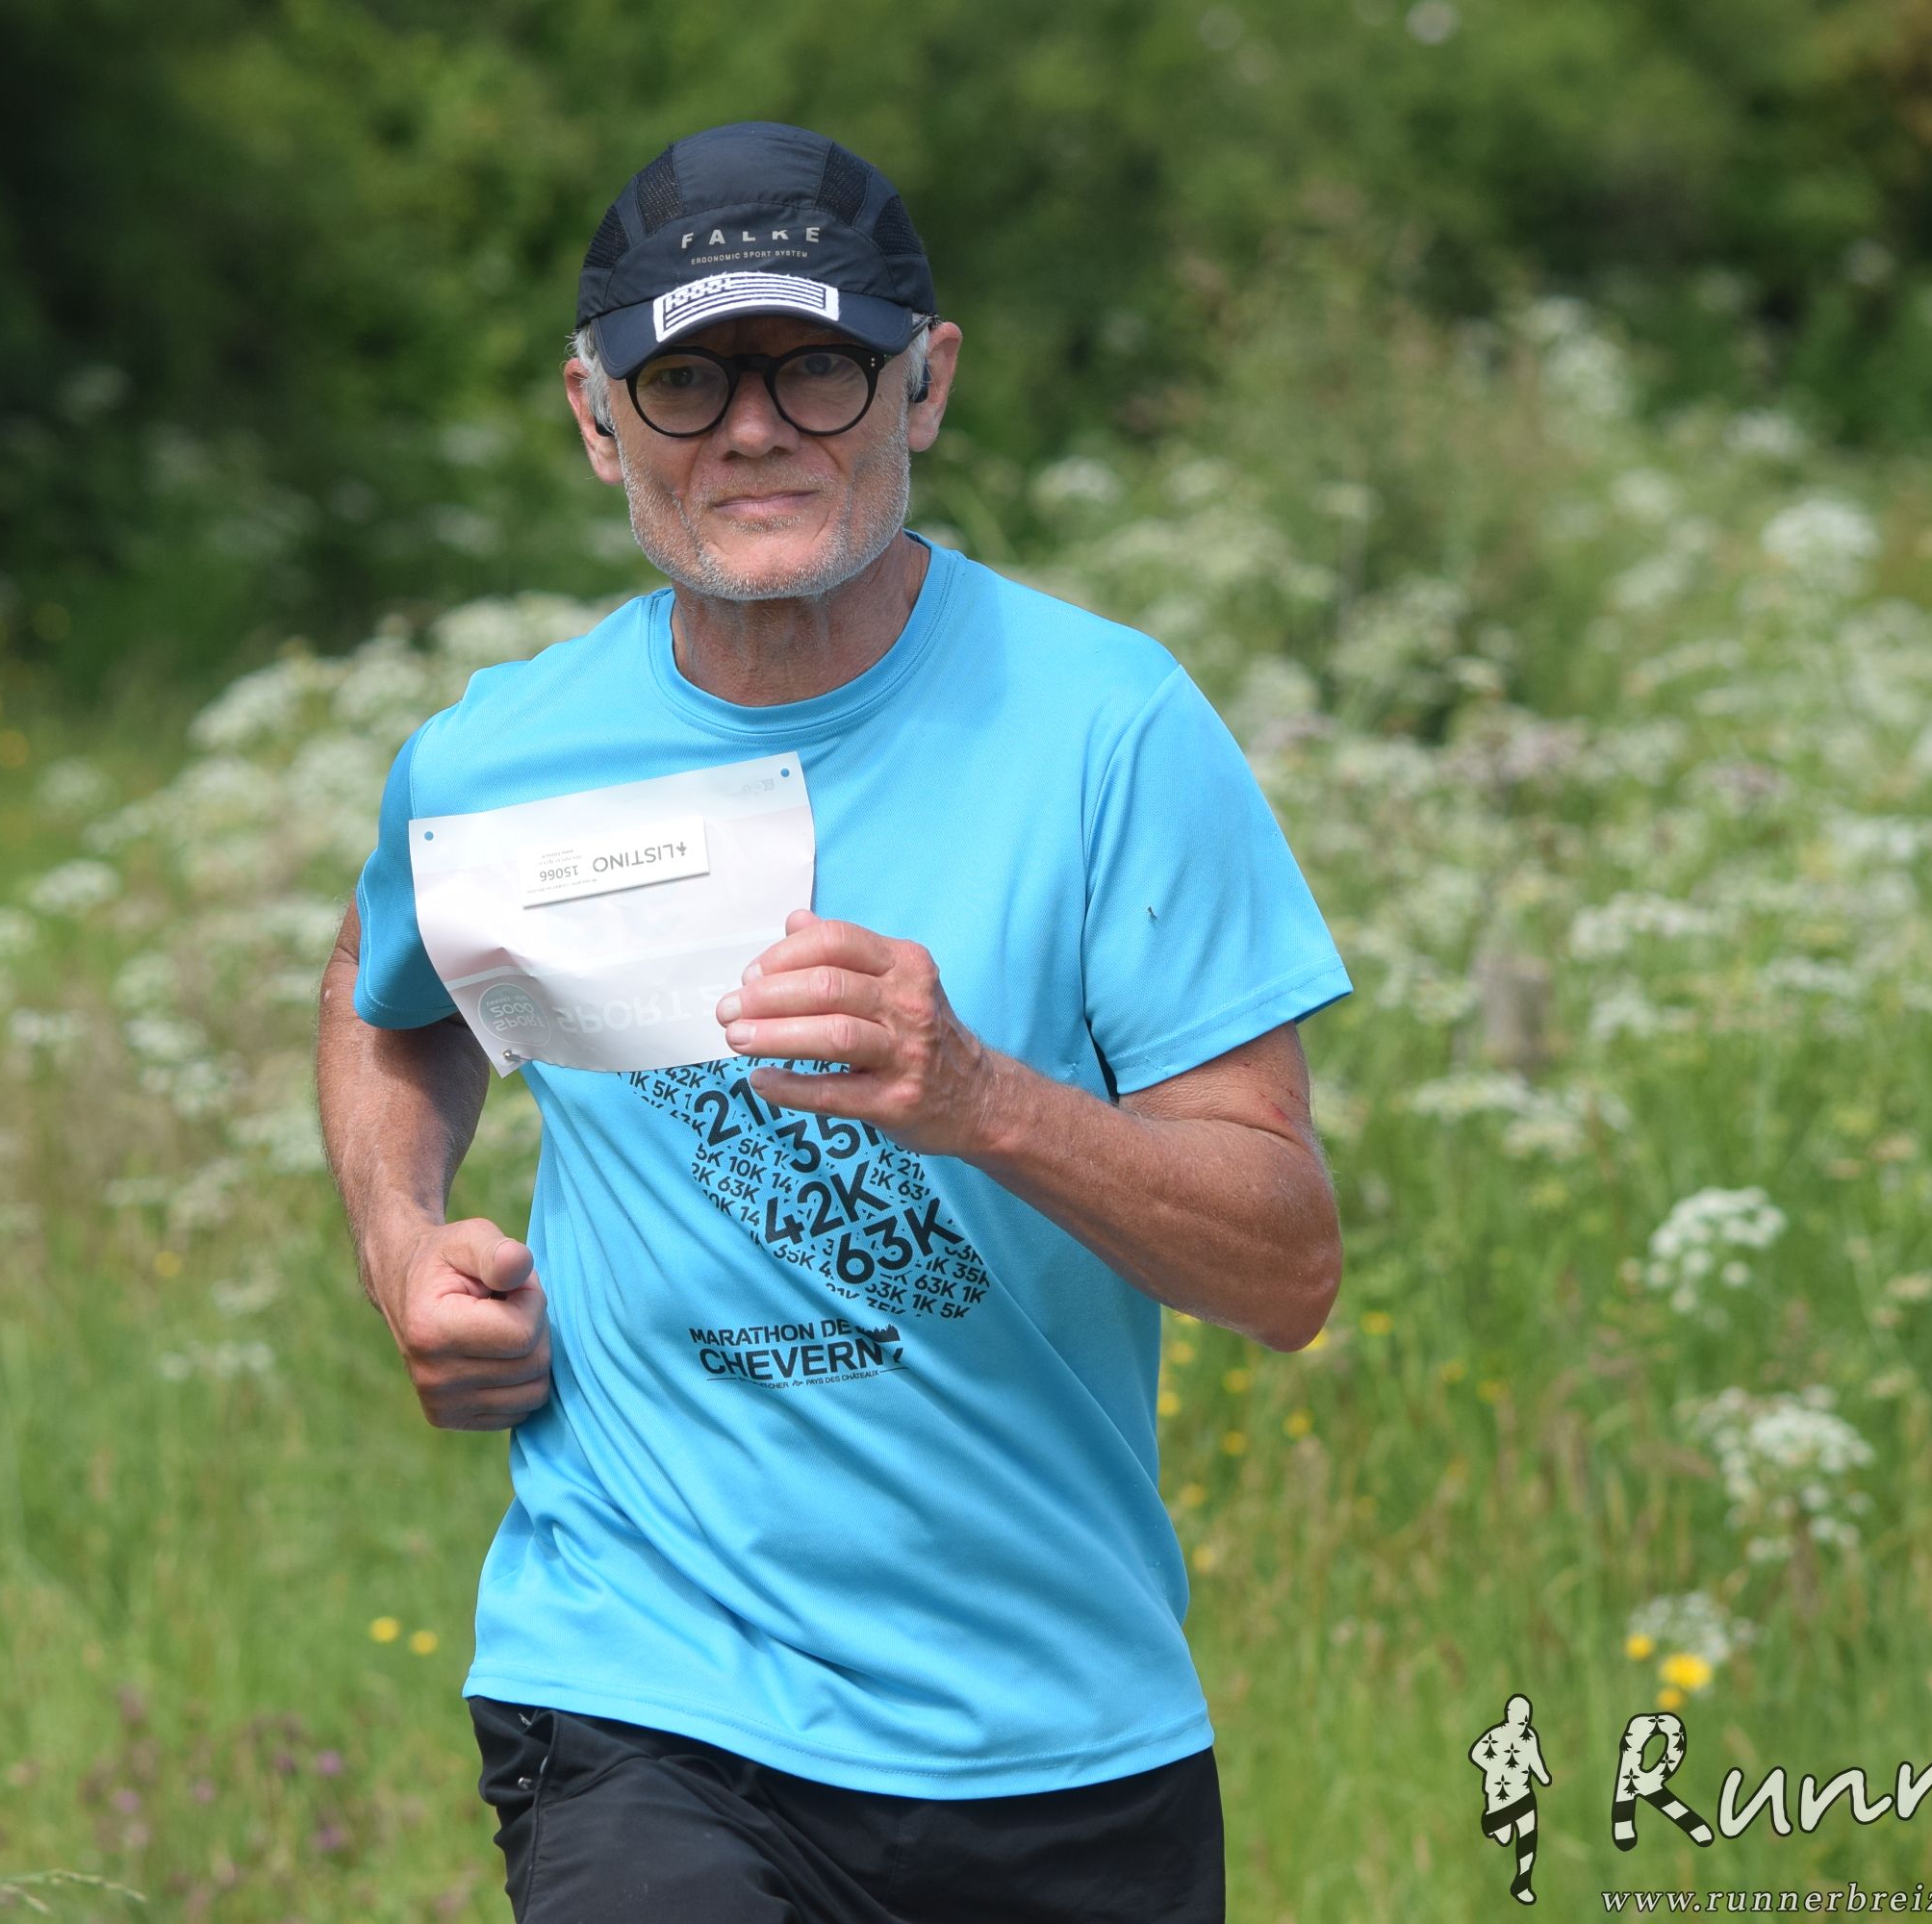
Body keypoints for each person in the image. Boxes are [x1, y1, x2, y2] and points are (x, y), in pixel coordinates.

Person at [316, 122, 1355, 1921]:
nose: (752, 429)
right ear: (595, 415)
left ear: (924, 382)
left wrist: (982, 1099)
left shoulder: (1110, 729)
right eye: (685, 379)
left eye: (815, 365)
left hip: (1056, 1739)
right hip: (641, 1686)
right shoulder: (494, 759)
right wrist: (400, 1241)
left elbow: (1285, 1267)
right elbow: (382, 994)